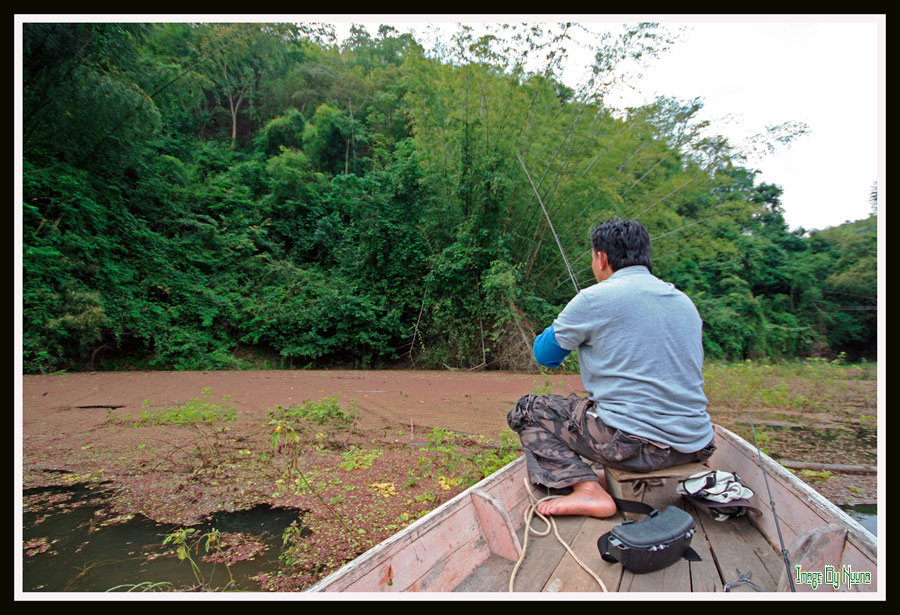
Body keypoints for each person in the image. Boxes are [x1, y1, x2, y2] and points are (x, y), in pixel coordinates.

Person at [507, 218, 716, 518]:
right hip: (695, 443)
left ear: (601, 258)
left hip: (638, 448)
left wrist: (565, 321)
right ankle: (602, 476)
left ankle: (587, 489)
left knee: (526, 409)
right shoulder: (684, 302)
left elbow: (545, 355)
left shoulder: (594, 298)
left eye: (593, 257)